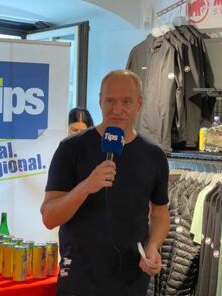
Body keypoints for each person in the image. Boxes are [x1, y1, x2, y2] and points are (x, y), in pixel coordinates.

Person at [41, 69, 170, 296]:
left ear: (139, 104)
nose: (117, 109)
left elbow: (160, 213)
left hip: (132, 281)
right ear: (100, 101)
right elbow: (49, 218)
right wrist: (86, 186)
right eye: (110, 101)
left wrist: (153, 245)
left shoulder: (154, 156)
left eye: (126, 102)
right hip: (79, 280)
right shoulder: (71, 149)